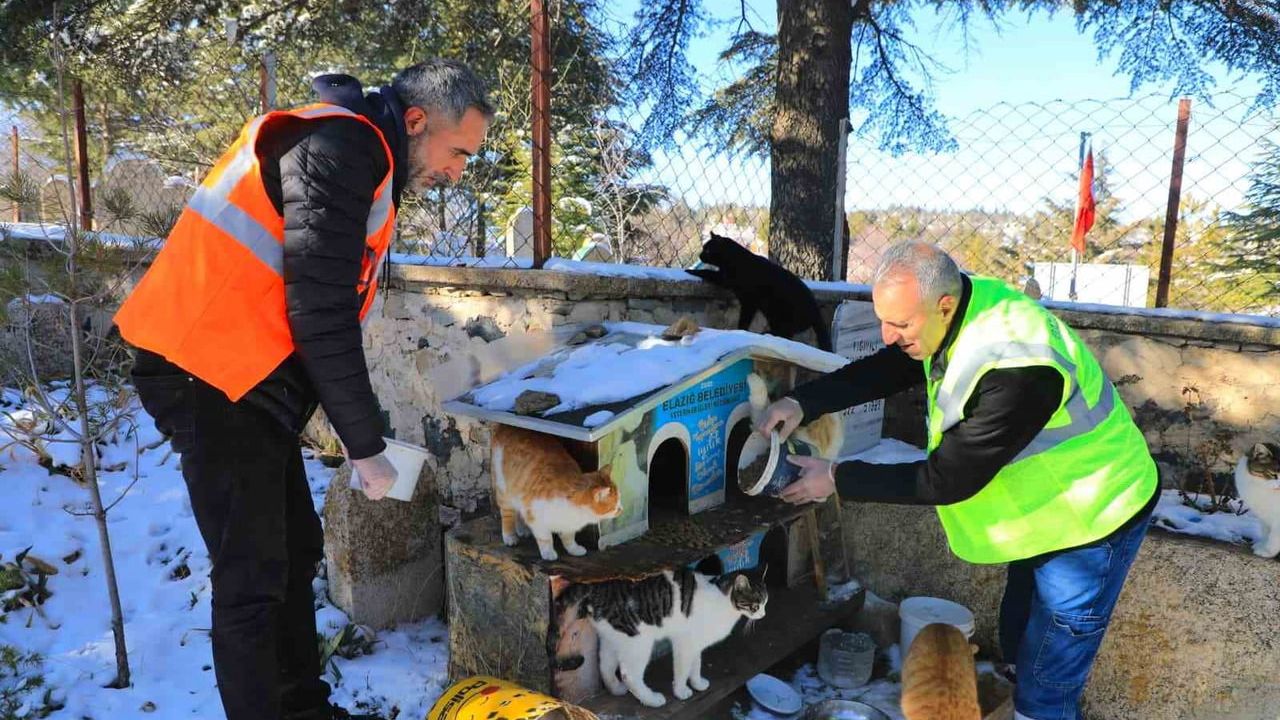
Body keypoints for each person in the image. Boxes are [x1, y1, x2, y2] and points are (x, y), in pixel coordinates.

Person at [113, 60, 493, 720]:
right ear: (416, 121)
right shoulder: (339, 147)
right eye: (459, 152)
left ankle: (303, 709)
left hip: (239, 372)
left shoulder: (359, 153)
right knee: (254, 573)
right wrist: (365, 446)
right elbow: (319, 312)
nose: (457, 172)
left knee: (292, 552)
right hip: (207, 367)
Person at [757, 242, 1158, 720]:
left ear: (943, 306)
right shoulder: (958, 306)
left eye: (900, 325)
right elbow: (890, 367)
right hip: (1044, 511)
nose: (887, 335)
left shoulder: (1020, 368)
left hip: (1094, 514)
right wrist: (805, 402)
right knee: (1018, 637)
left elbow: (947, 478)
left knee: (1048, 677)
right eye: (884, 320)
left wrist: (836, 477)